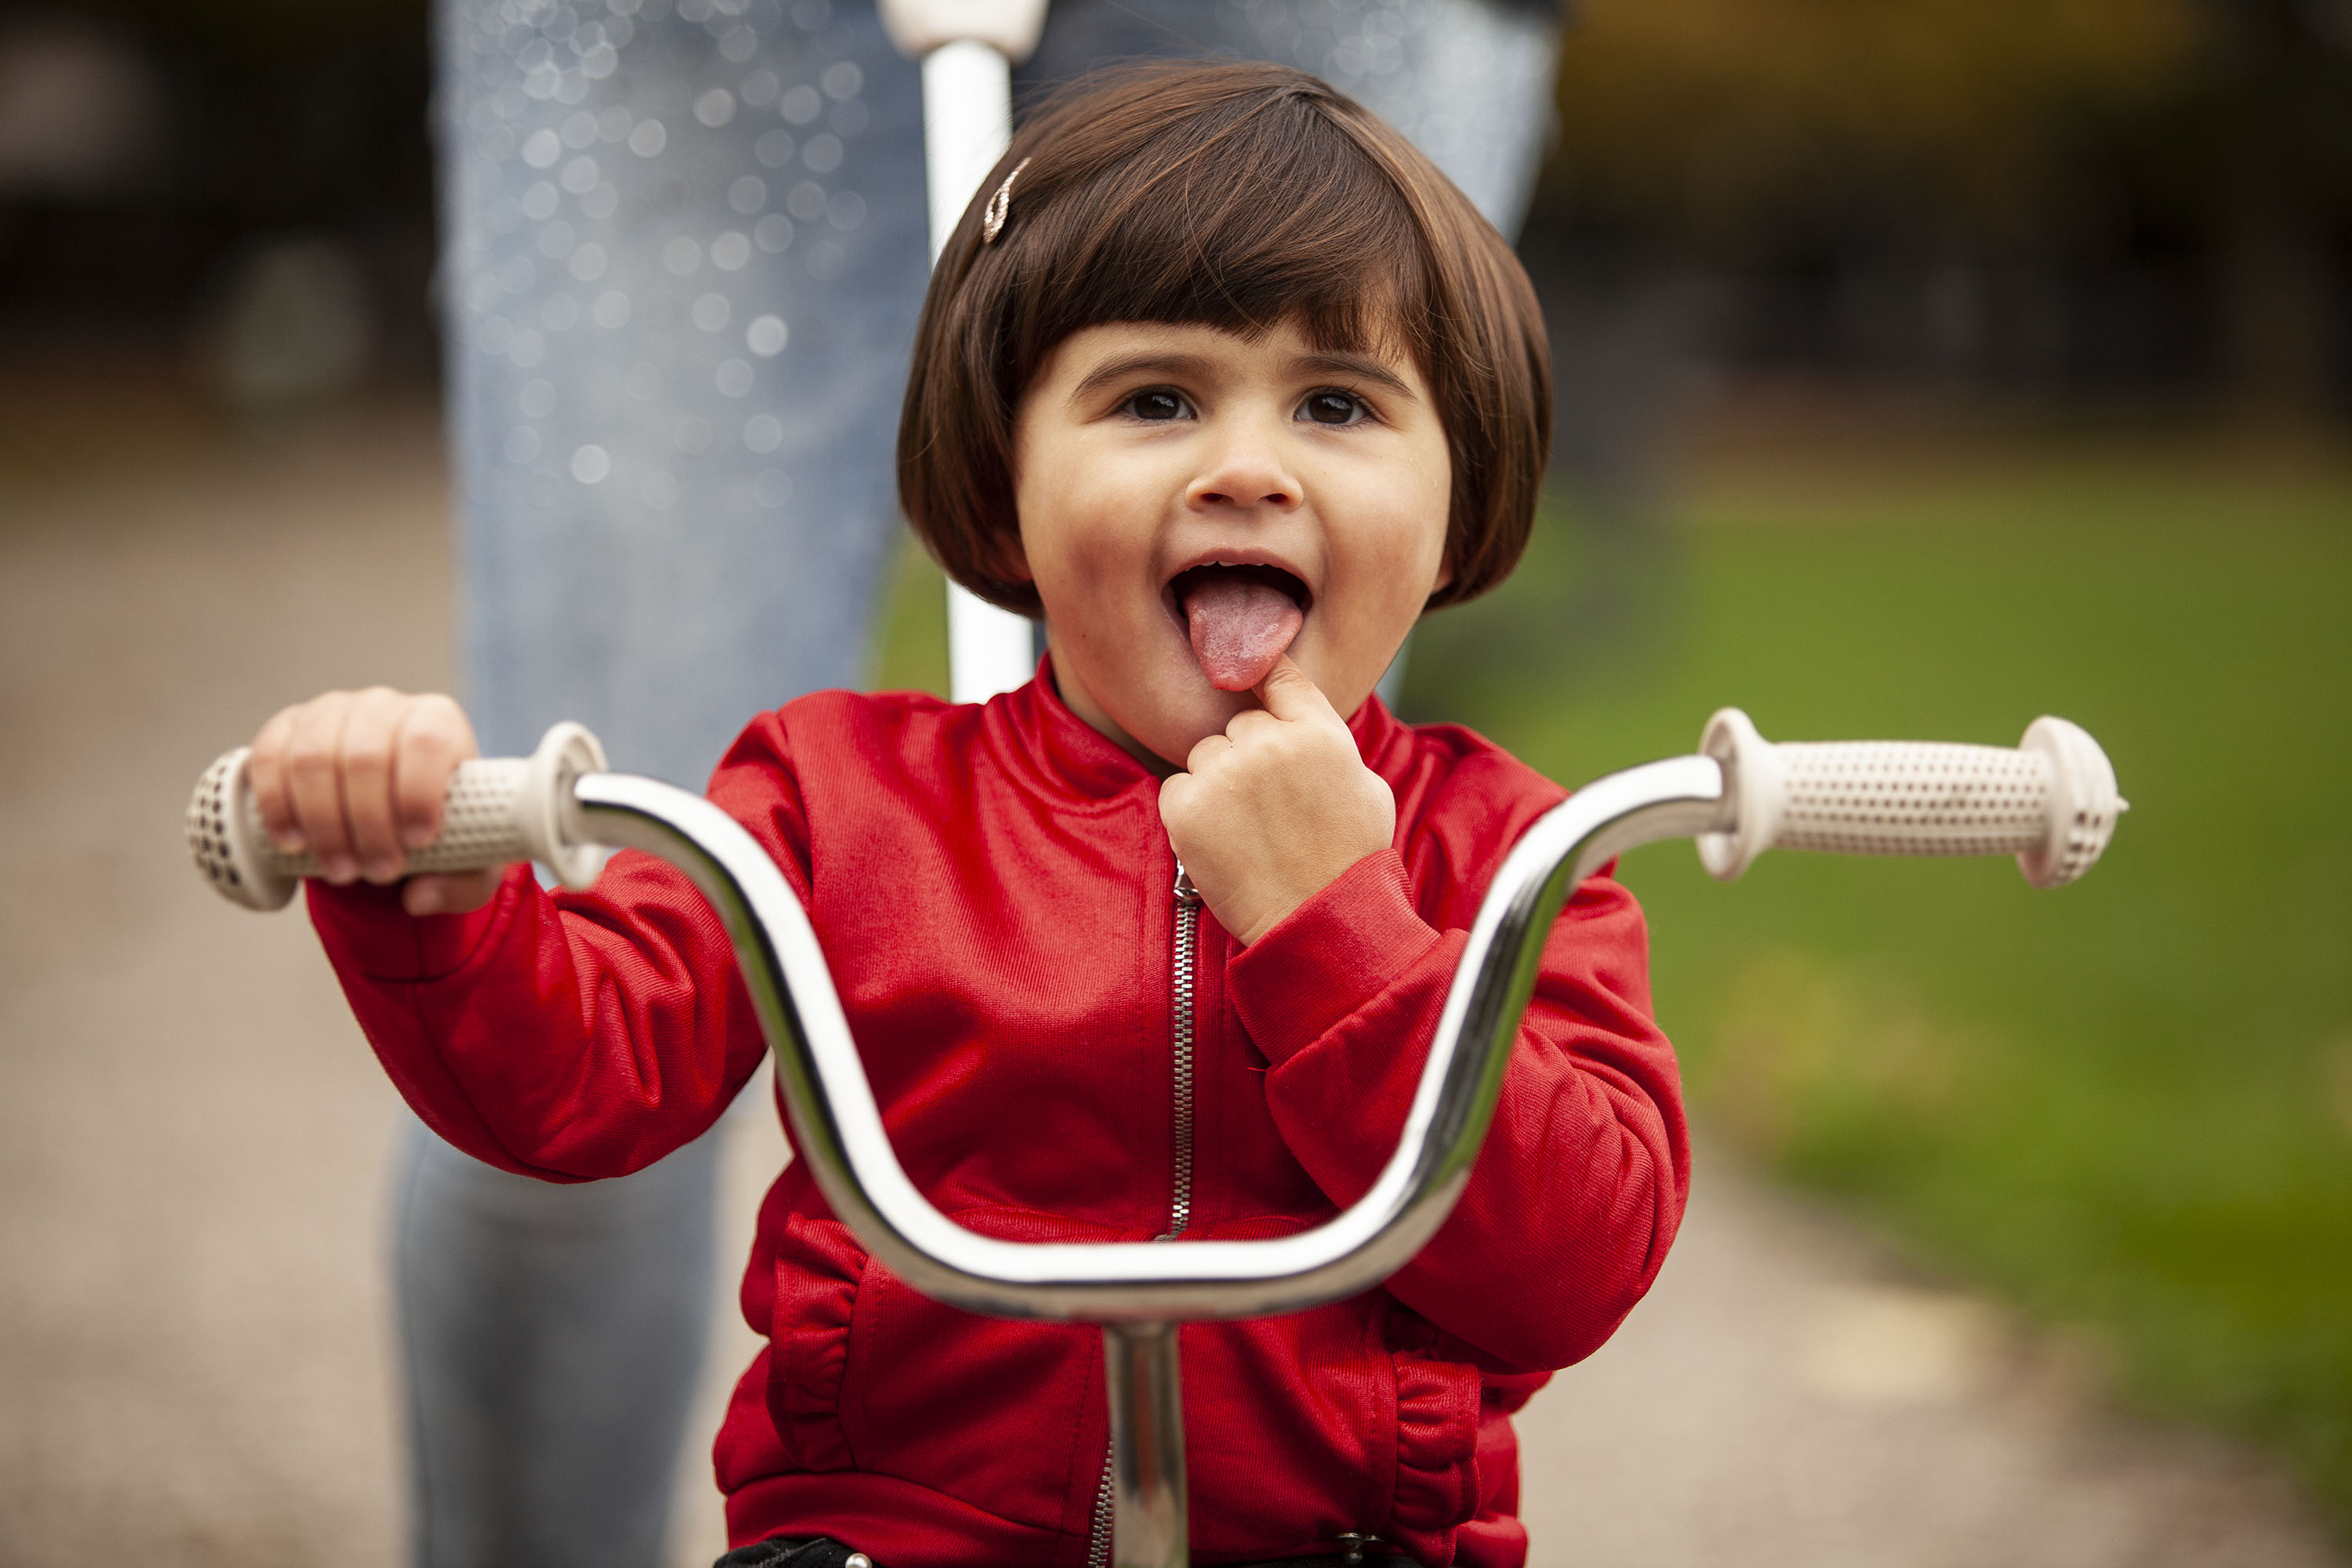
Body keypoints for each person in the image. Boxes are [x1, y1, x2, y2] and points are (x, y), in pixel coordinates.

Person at [288, 61, 1678, 1568]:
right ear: (1003, 480)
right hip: (891, 1534)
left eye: (1338, 404)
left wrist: (1339, 924)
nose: (1247, 470)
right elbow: (585, 1078)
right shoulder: (839, 799)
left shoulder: (1514, 855)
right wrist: (428, 893)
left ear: (1462, 500)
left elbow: (1571, 1268)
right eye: (1155, 399)